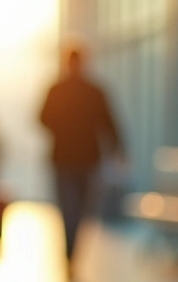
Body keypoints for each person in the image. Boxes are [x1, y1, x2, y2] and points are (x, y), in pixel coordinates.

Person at [39, 47, 124, 266]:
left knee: (77, 208)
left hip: (78, 158)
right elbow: (109, 122)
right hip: (74, 159)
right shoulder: (84, 91)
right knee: (73, 207)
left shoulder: (66, 90)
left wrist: (117, 147)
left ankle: (72, 246)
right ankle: (71, 248)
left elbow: (108, 121)